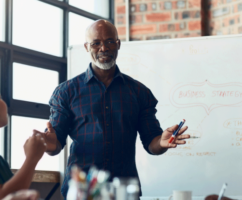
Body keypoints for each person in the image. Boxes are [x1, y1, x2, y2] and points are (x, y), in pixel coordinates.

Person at [34, 20, 190, 199]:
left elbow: (152, 144)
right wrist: (47, 143)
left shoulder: (139, 92)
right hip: (82, 191)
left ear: (118, 44)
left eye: (109, 41)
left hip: (123, 190)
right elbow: (56, 145)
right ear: (86, 47)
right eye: (96, 43)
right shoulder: (66, 91)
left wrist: (162, 142)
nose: (103, 48)